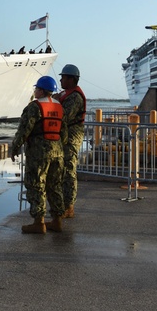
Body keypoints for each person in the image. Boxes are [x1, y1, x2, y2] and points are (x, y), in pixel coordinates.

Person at [10, 75, 66, 234]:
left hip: (39, 153)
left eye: (36, 88)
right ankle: (57, 221)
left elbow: (24, 130)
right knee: (55, 185)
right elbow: (64, 131)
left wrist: (15, 147)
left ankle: (39, 222)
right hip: (58, 150)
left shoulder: (34, 107)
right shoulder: (59, 107)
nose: (35, 90)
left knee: (36, 185)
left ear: (41, 90)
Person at [56, 64, 87, 219]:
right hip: (66, 135)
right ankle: (64, 204)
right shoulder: (66, 94)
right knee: (63, 170)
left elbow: (64, 116)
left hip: (71, 135)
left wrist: (55, 103)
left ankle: (69, 206)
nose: (60, 80)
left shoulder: (74, 97)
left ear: (71, 79)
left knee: (69, 170)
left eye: (63, 77)